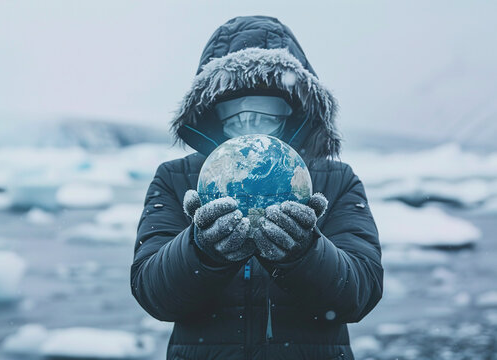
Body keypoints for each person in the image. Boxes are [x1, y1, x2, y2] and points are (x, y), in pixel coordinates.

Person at [131, 15, 383, 359]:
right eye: (235, 113)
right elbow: (153, 293)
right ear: (212, 113)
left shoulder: (336, 180)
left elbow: (360, 293)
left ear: (293, 111)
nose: (249, 125)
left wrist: (304, 254)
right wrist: (201, 251)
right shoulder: (175, 179)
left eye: (264, 112)